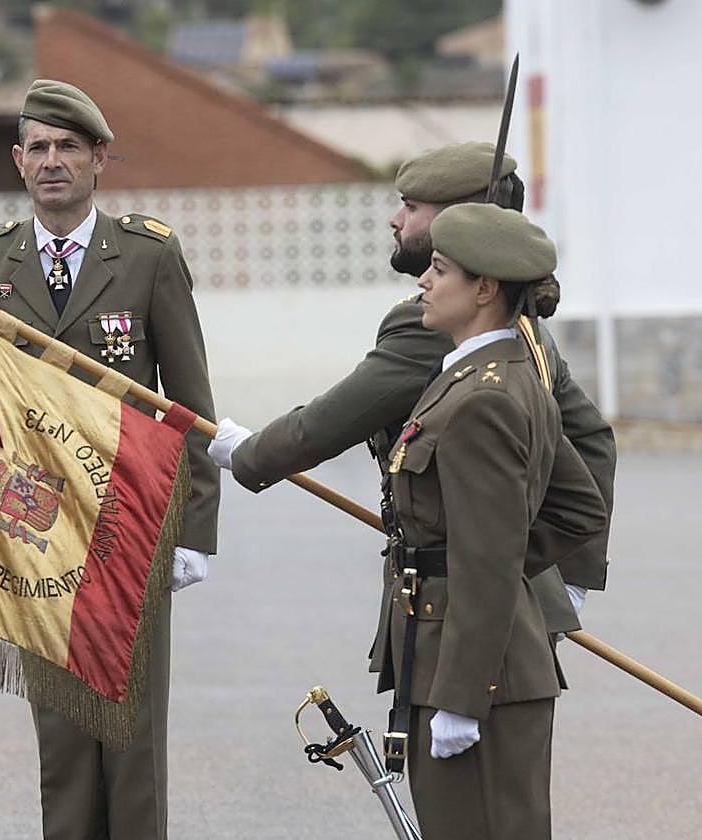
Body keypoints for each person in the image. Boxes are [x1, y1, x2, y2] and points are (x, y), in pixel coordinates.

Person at [0, 79, 220, 840]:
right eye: (37, 147)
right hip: (36, 531)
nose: (52, 162)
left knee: (131, 739)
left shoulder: (146, 257)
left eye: (69, 147)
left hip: (131, 524)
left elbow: (190, 399)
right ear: (16, 160)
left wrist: (196, 527)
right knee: (63, 737)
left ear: (99, 159)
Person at [210, 142, 615, 637]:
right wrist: (570, 577)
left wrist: (247, 453)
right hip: (509, 595)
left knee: (458, 713)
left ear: (462, 219)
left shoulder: (446, 326)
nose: (395, 219)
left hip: (461, 604)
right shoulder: (520, 319)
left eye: (412, 206)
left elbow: (329, 423)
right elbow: (593, 441)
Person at [379, 203, 606, 838]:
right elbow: (578, 508)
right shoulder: (504, 375)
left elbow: (489, 558)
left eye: (441, 270)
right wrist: (494, 564)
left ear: (484, 289)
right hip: (477, 662)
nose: (423, 281)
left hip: (478, 676)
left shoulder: (482, 398)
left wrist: (461, 695)